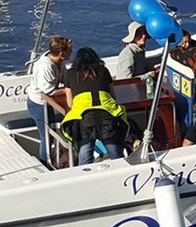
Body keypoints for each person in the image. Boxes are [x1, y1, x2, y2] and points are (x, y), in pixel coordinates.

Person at [60, 47, 128, 164]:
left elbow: (70, 103)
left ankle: (84, 176)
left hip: (84, 116)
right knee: (114, 152)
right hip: (106, 115)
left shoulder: (70, 74)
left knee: (85, 151)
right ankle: (123, 171)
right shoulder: (104, 70)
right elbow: (113, 97)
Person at [26, 36, 72, 165]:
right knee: (46, 137)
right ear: (62, 54)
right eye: (70, 51)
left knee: (50, 135)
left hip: (50, 103)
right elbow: (48, 91)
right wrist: (67, 90)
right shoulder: (45, 67)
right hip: (39, 105)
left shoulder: (59, 62)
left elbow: (65, 78)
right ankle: (45, 163)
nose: (72, 53)